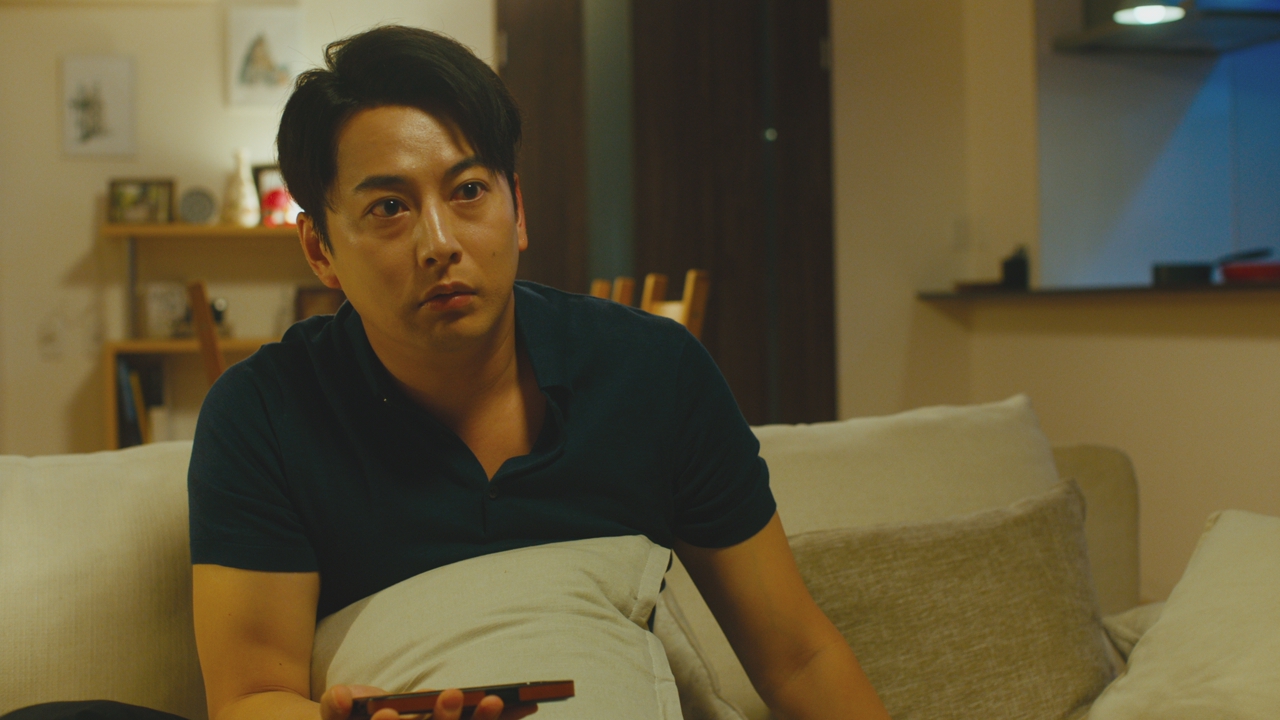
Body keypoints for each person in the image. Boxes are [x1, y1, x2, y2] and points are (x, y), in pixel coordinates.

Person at [188, 25, 891, 720]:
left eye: (468, 191)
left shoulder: (651, 372)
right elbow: (250, 696)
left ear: (517, 209)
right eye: (389, 208)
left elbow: (798, 657)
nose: (440, 242)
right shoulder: (266, 414)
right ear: (319, 249)